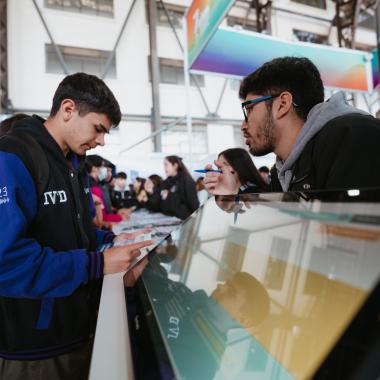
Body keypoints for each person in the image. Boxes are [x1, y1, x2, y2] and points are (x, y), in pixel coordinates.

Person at [0, 73, 153, 379]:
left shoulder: (73, 165)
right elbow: (7, 261)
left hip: (76, 330)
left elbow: (72, 232)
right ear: (68, 109)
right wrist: (97, 264)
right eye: (98, 129)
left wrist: (112, 238)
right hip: (34, 348)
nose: (101, 141)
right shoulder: (14, 157)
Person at [205, 57, 380, 194]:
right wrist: (229, 194)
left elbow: (357, 235)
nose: (243, 125)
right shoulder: (281, 172)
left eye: (249, 109)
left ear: (282, 104)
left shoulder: (354, 137)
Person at [160, 155, 200, 220]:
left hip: (185, 220)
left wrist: (170, 195)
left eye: (166, 165)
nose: (164, 168)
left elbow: (193, 205)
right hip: (172, 218)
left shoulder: (186, 180)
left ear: (175, 166)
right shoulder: (167, 182)